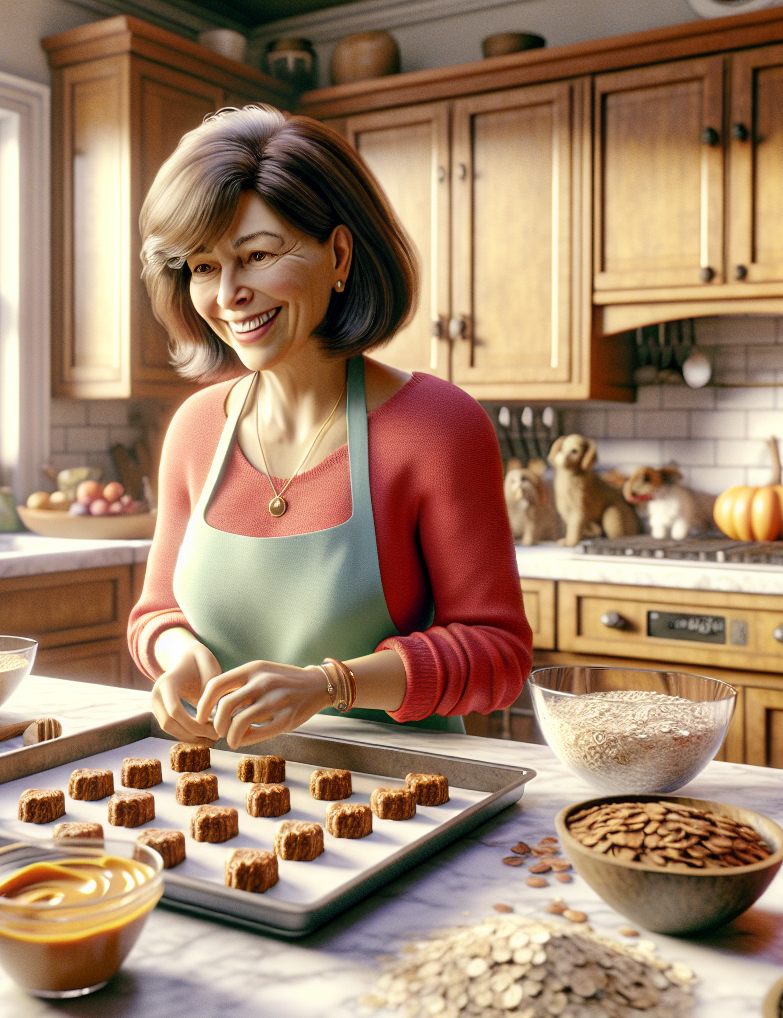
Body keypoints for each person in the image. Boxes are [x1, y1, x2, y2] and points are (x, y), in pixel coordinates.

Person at [129, 105, 531, 749]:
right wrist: (177, 653)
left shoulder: (438, 428)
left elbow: (497, 656)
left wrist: (330, 686)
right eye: (203, 266)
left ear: (338, 253)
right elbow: (156, 613)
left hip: (403, 802)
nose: (228, 294)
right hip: (227, 796)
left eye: (256, 255)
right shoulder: (196, 427)